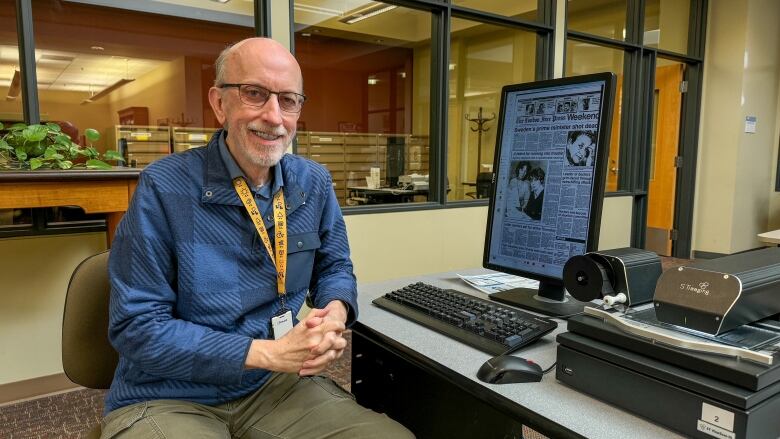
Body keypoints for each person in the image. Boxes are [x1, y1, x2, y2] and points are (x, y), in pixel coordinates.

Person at [101, 37, 413, 439]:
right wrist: (269, 352)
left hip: (274, 386)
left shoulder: (312, 182)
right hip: (169, 393)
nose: (274, 116)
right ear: (219, 103)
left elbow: (335, 267)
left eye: (288, 100)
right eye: (254, 94)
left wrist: (334, 312)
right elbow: (137, 327)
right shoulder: (164, 187)